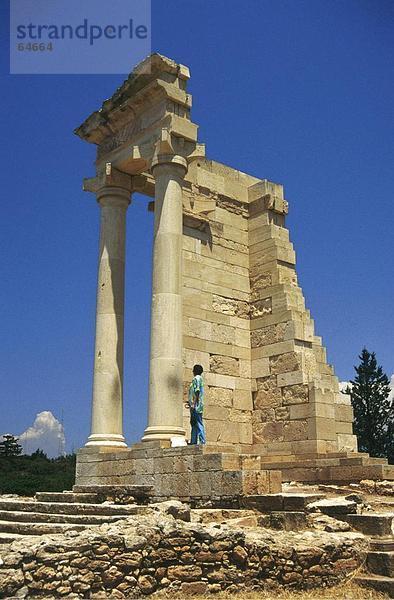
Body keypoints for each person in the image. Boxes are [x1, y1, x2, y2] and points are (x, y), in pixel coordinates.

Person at [186, 364, 206, 445]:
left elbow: (197, 391)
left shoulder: (196, 379)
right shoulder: (200, 379)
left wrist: (194, 403)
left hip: (196, 405)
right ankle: (194, 441)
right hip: (195, 404)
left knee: (198, 422)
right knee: (194, 423)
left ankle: (202, 441)